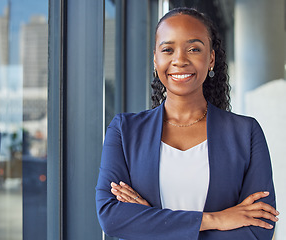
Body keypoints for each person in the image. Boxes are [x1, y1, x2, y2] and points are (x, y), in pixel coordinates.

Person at [96, 7, 279, 240]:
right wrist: (216, 219)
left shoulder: (246, 133)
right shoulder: (124, 131)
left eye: (194, 49)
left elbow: (259, 228)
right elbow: (111, 216)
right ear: (155, 59)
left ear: (211, 58)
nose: (180, 60)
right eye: (168, 50)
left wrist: (152, 221)